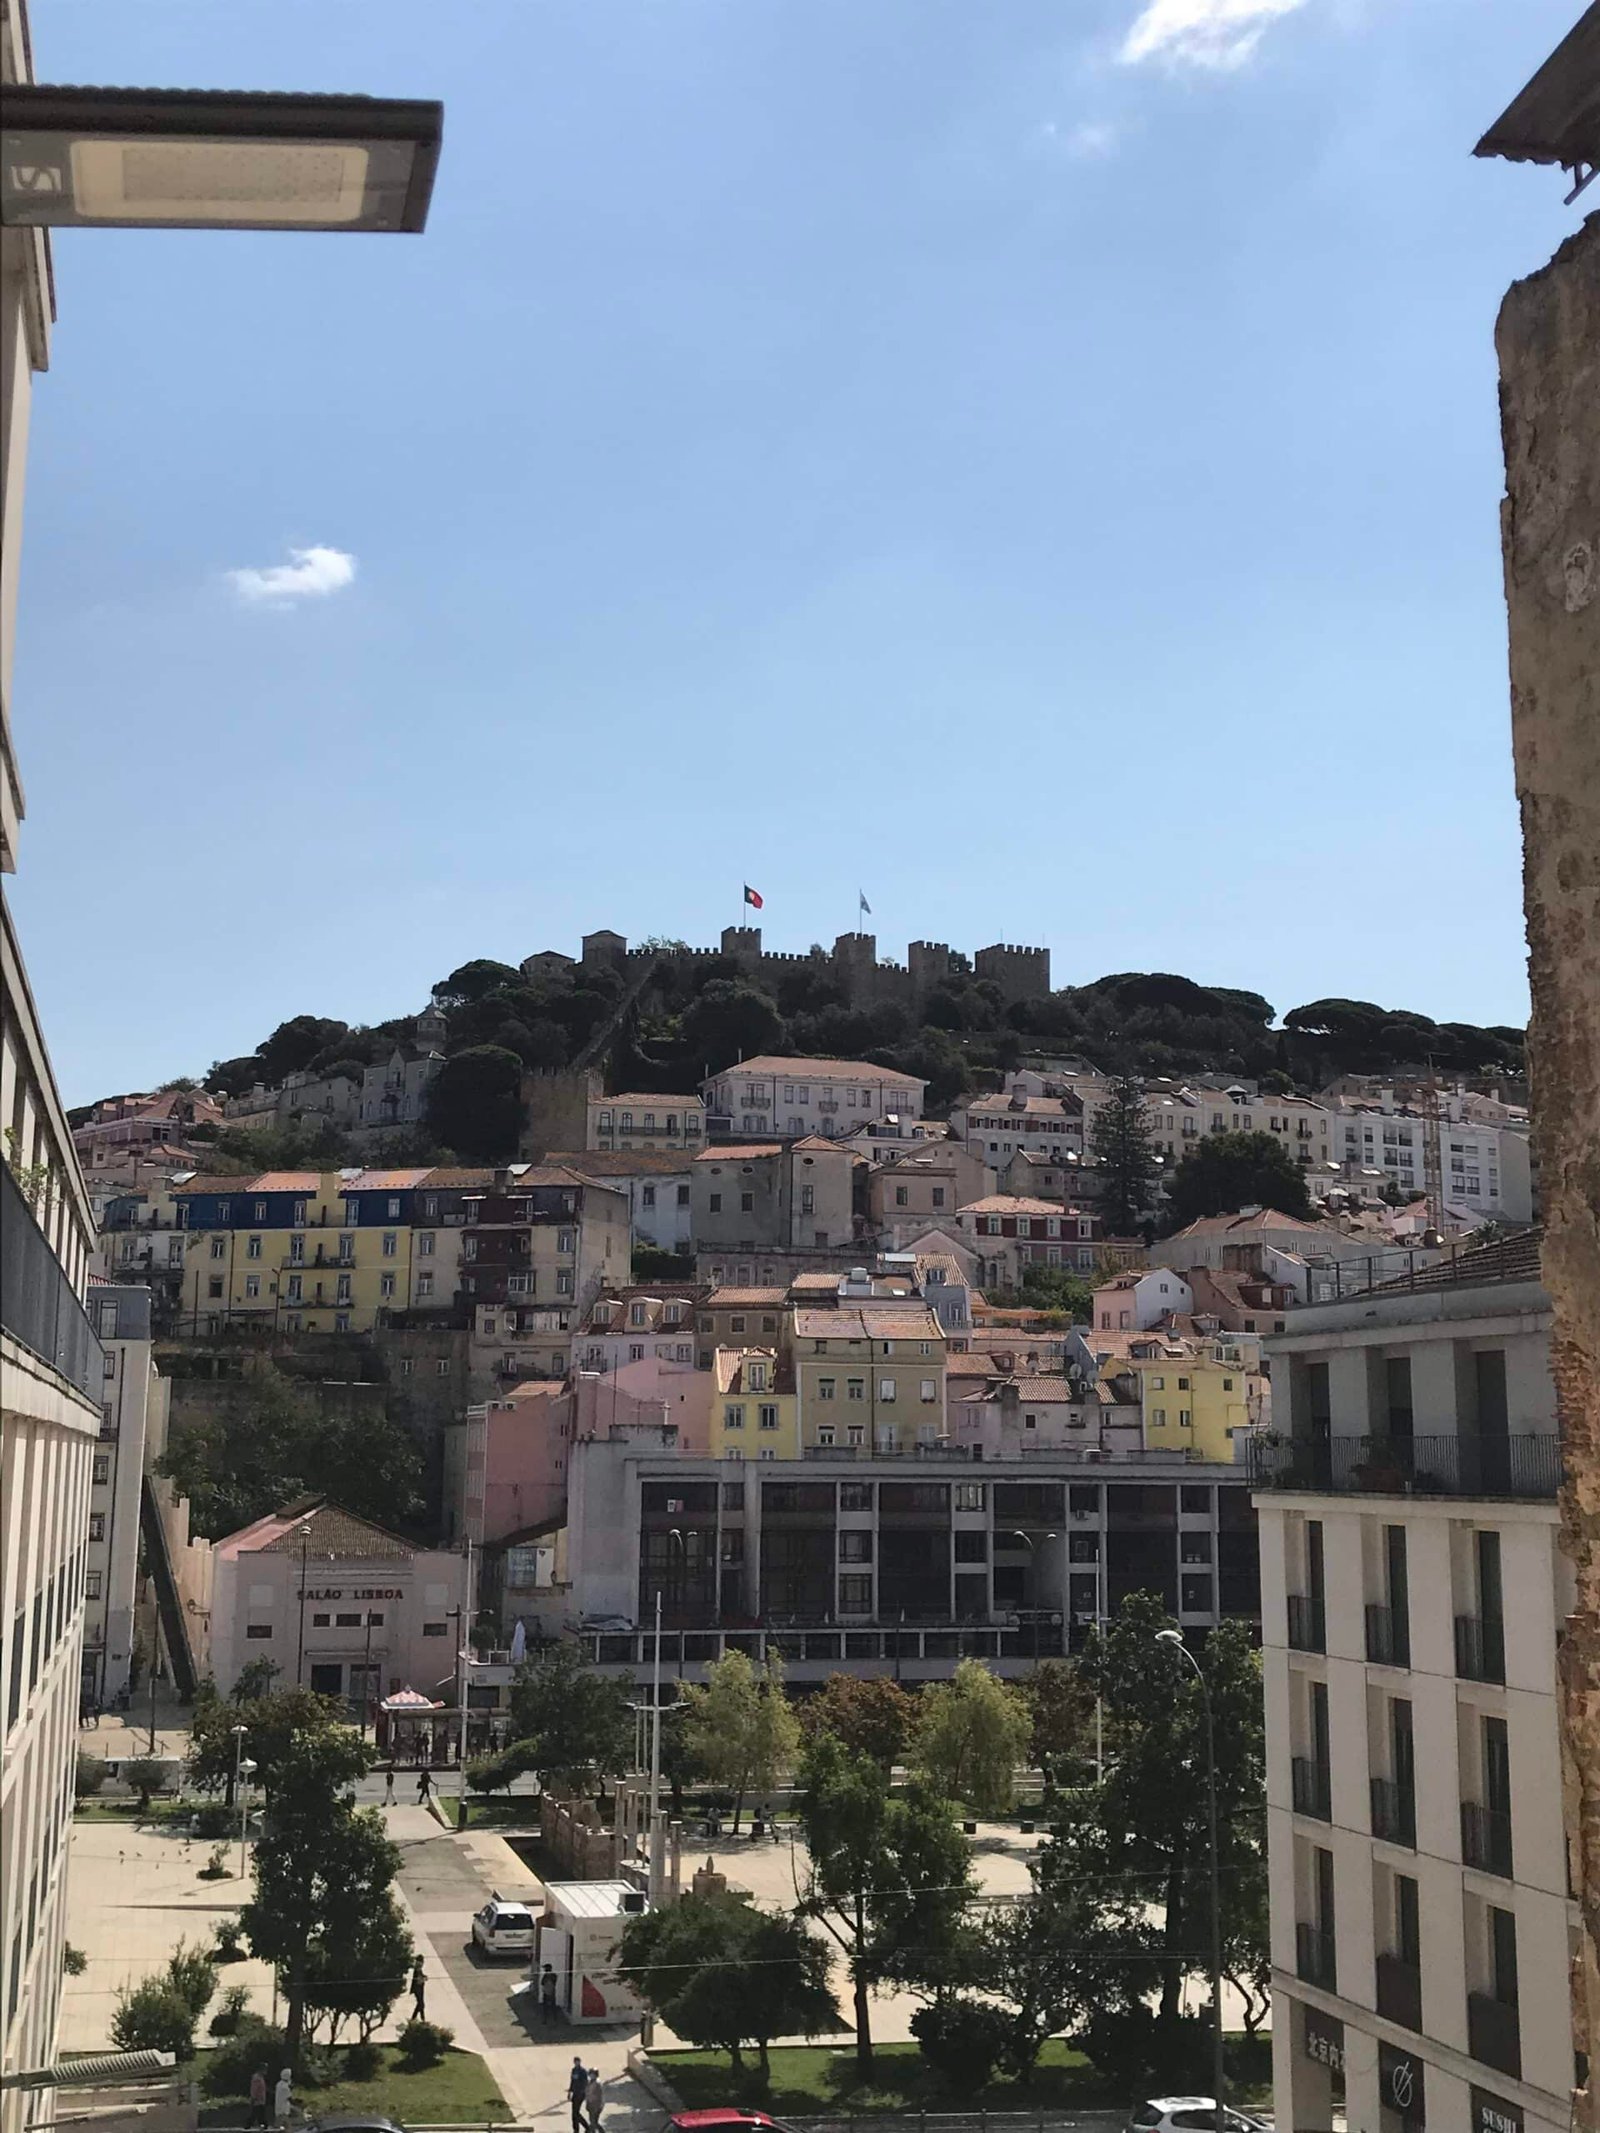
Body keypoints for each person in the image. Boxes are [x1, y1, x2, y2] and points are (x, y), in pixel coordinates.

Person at [567, 2056, 588, 2133]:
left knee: (576, 2113)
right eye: (575, 2062)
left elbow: (585, 2083)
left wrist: (583, 2092)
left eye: (577, 2061)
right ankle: (576, 2129)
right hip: (575, 2094)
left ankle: (586, 2126)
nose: (576, 2063)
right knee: (574, 2113)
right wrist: (570, 2092)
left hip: (580, 2094)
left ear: (580, 2062)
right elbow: (572, 2081)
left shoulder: (582, 2071)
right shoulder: (574, 2070)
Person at [584, 2069, 604, 2133]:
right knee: (593, 2121)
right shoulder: (590, 2082)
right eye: (590, 2074)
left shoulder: (597, 2083)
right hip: (591, 2104)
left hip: (596, 2105)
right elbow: (587, 2094)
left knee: (593, 2122)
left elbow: (600, 2095)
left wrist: (600, 2105)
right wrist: (587, 2103)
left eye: (592, 2074)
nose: (590, 2075)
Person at [410, 1955, 426, 2022]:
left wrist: (424, 1977)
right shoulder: (417, 1970)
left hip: (420, 1989)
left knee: (420, 2004)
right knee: (421, 2004)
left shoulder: (419, 1969)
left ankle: (419, 2019)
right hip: (418, 1989)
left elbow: (421, 1976)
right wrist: (423, 1979)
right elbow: (418, 1980)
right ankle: (416, 2018)